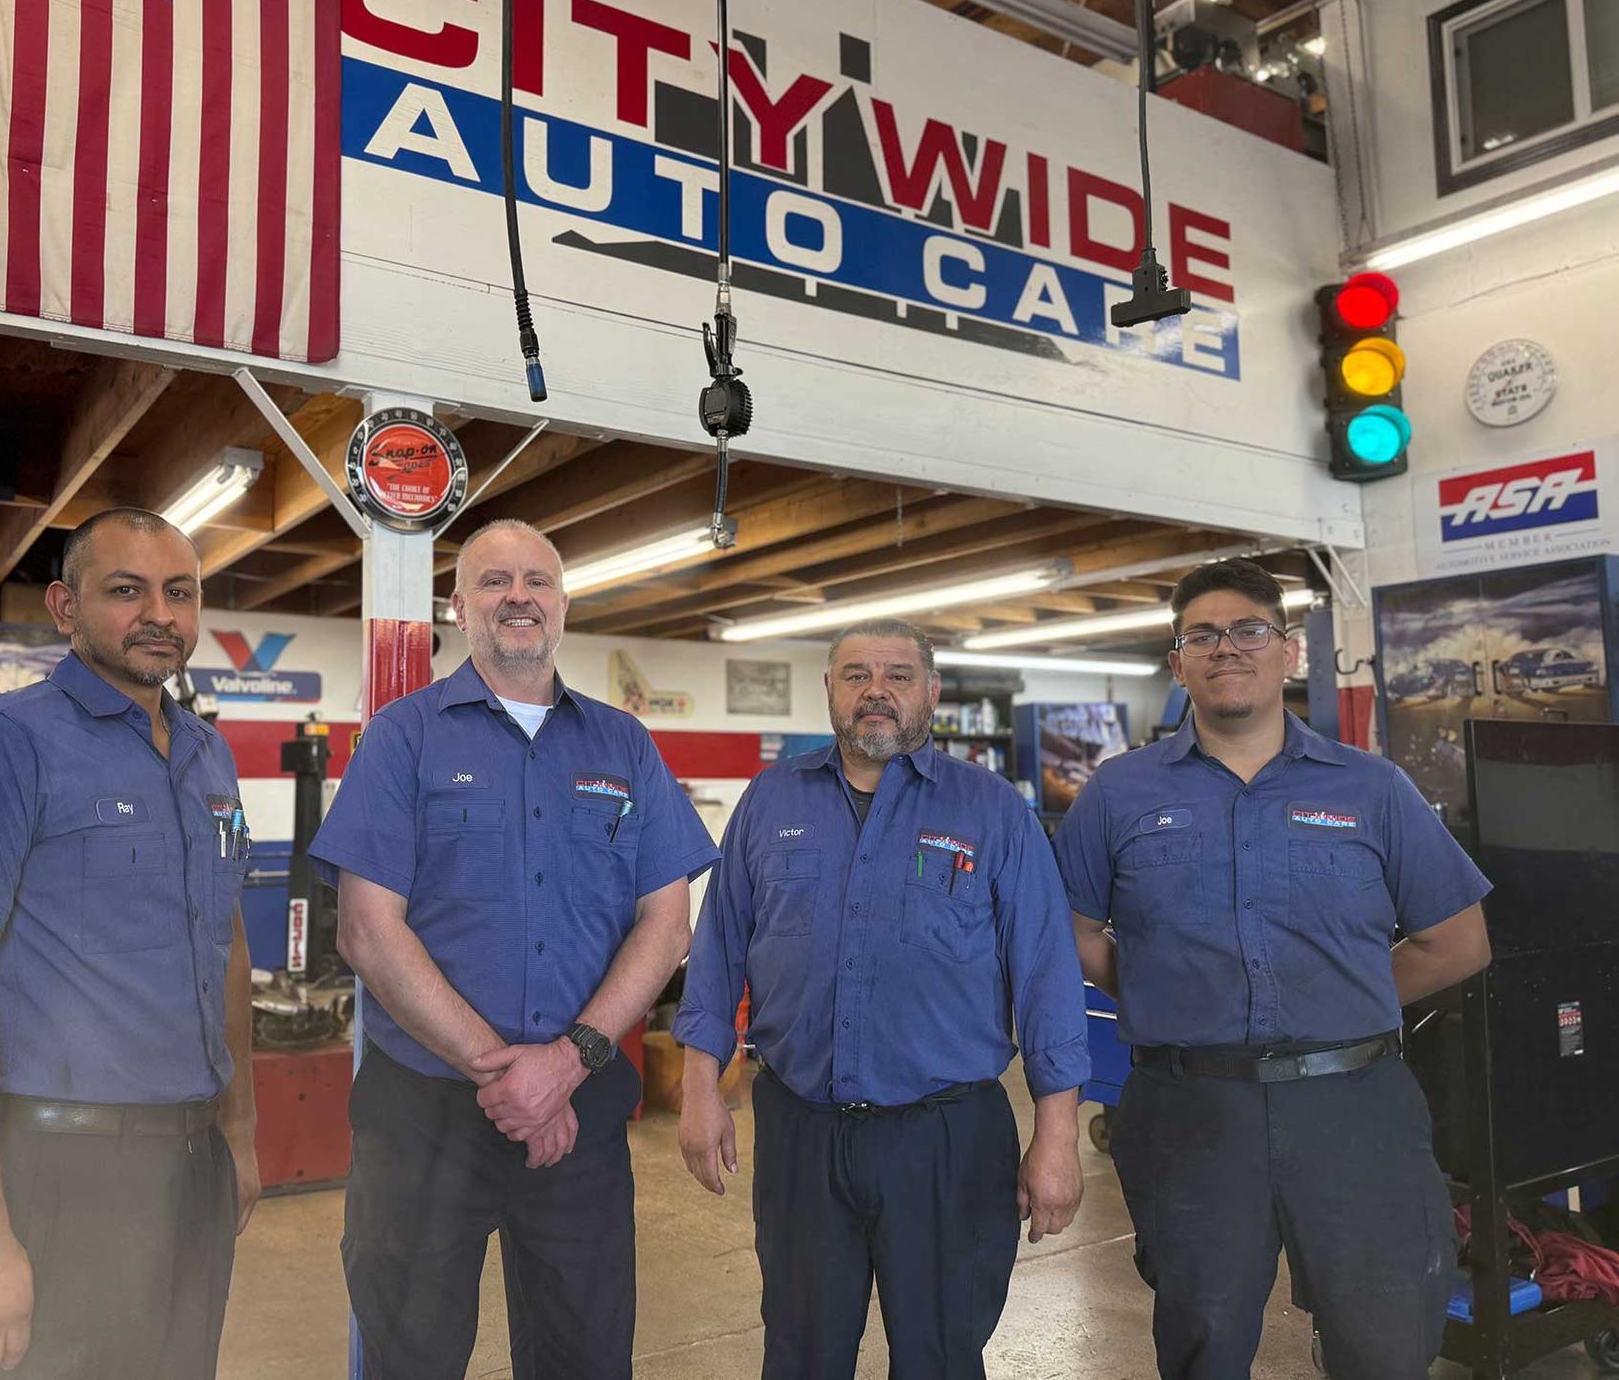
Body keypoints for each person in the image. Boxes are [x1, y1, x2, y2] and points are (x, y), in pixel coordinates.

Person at [1055, 558, 1493, 1380]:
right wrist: (1168, 995)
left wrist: (1338, 1006)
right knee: (1203, 1342)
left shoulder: (1372, 788)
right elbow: (1072, 931)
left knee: (1385, 1340)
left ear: (1288, 652)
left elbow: (1458, 940)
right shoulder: (1117, 794)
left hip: (1355, 1108)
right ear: (1177, 660)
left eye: (1250, 629)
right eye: (1203, 635)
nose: (1228, 648)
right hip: (1190, 1111)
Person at [311, 518, 719, 1380]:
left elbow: (667, 922)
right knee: (410, 1358)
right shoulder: (403, 738)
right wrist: (511, 1074)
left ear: (563, 607)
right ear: (458, 607)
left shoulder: (624, 746)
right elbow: (366, 929)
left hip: (581, 1115)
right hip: (424, 1115)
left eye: (538, 580)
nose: (519, 596)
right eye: (495, 581)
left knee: (584, 1355)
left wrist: (566, 1066)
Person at [674, 619, 1089, 1380]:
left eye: (898, 674)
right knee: (800, 1352)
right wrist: (700, 1083)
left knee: (940, 1354)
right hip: (802, 1130)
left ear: (931, 691)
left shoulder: (992, 811)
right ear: (830, 690)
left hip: (945, 1139)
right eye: (856, 674)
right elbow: (719, 950)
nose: (876, 690)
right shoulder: (770, 803)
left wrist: (1056, 1136)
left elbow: (1047, 978)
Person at [0, 508, 259, 1378]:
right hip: (59, 1172)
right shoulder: (2, 746)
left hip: (192, 1168)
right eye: (126, 591)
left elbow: (227, 945)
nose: (159, 616)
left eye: (180, 592)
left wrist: (238, 1133)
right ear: (65, 606)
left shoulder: (209, 756)